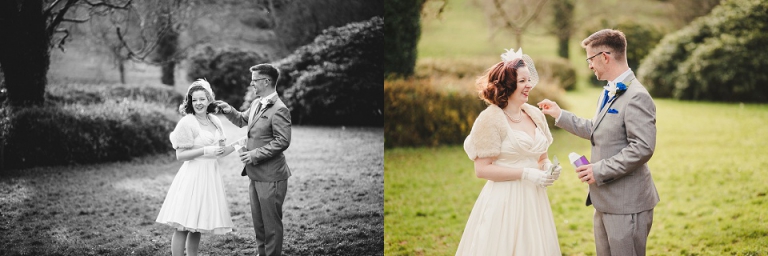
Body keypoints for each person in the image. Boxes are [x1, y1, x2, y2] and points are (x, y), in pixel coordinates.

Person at [537, 29, 660, 256]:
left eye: (590, 59)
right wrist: (559, 114)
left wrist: (599, 170)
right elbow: (597, 130)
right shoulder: (609, 91)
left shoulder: (637, 96)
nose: (589, 66)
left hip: (626, 204)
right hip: (604, 201)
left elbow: (643, 147)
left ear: (605, 56)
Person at [457, 48, 562, 256]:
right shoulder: (490, 119)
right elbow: (482, 169)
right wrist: (526, 173)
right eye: (522, 81)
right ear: (507, 85)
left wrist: (548, 167)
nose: (529, 85)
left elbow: (541, 156)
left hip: (535, 201)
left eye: (528, 80)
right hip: (505, 203)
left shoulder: (534, 114)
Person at [215, 63, 292, 256]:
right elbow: (242, 120)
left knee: (271, 225)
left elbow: (283, 141)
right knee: (259, 223)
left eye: (254, 81)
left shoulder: (280, 109)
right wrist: (228, 110)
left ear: (266, 81)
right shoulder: (257, 103)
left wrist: (254, 154)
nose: (252, 84)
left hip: (271, 176)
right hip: (254, 174)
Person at [156, 79, 237, 256]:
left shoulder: (215, 120)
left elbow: (220, 152)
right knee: (183, 225)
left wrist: (239, 144)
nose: (198, 103)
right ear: (190, 102)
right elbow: (180, 155)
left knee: (197, 226)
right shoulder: (188, 122)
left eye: (202, 99)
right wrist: (204, 150)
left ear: (209, 99)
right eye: (194, 100)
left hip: (210, 176)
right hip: (192, 176)